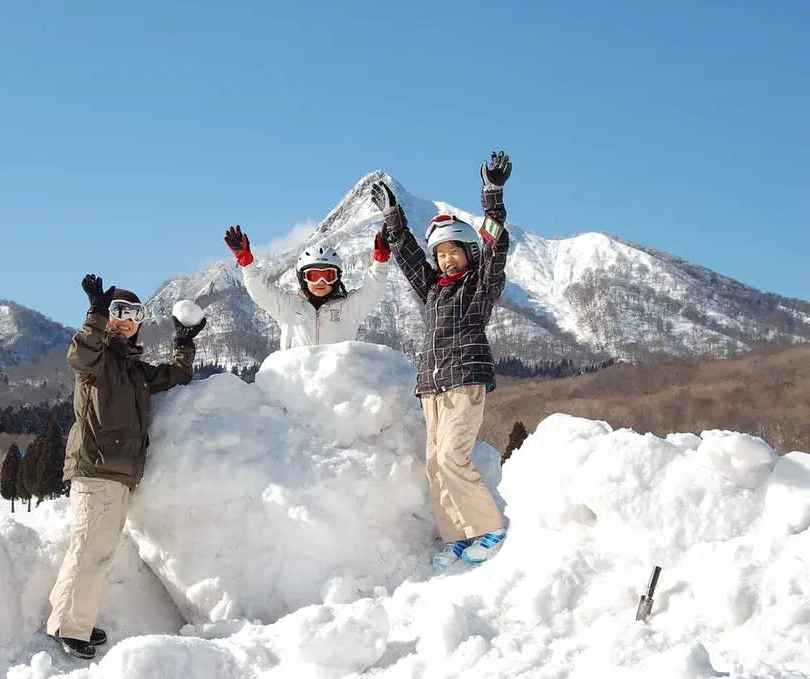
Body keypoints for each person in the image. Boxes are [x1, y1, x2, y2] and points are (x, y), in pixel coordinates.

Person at [46, 273, 206, 659]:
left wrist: (184, 343)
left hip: (119, 474)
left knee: (95, 550)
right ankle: (69, 626)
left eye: (134, 314)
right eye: (117, 312)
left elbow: (177, 375)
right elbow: (80, 353)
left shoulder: (134, 370)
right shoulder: (97, 362)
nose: (124, 320)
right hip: (96, 470)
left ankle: (71, 616)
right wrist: (95, 315)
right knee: (89, 551)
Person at [373, 151, 513, 568]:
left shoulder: (480, 285)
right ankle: (457, 535)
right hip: (432, 384)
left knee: (453, 456)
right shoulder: (434, 289)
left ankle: (490, 528)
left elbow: (496, 244)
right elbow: (409, 257)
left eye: (454, 251)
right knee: (436, 465)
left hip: (465, 378)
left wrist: (493, 193)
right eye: (441, 254)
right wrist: (393, 219)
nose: (446, 259)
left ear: (469, 253)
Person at [223, 223, 390, 349]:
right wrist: (246, 262)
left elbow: (372, 291)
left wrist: (380, 262)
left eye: (327, 276)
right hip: (297, 387)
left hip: (337, 387)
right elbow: (260, 291)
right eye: (314, 276)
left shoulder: (349, 308)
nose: (320, 283)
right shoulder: (288, 307)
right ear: (303, 279)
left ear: (337, 279)